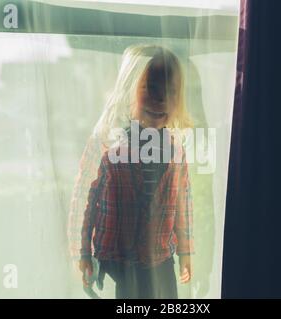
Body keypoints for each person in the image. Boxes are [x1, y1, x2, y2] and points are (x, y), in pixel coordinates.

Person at [75, 44, 194, 299]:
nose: (161, 99)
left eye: (170, 91)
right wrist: (83, 251)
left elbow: (183, 205)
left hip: (161, 258)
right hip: (121, 260)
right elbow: (86, 202)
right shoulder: (108, 147)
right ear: (129, 90)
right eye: (150, 88)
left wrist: (185, 251)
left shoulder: (175, 152)